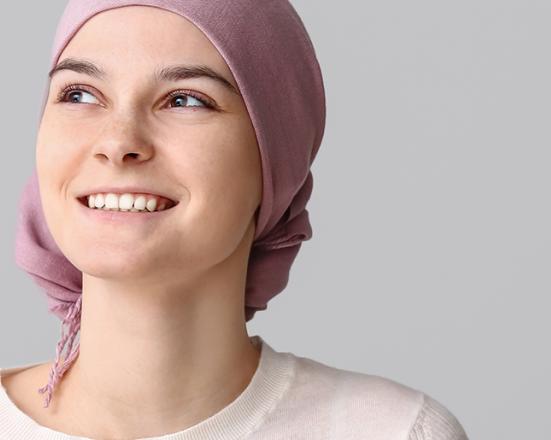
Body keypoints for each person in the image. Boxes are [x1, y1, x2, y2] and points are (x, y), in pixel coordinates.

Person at [0, 1, 469, 439]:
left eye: (185, 100)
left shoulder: (393, 431)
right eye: (79, 93)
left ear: (274, 163)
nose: (118, 140)